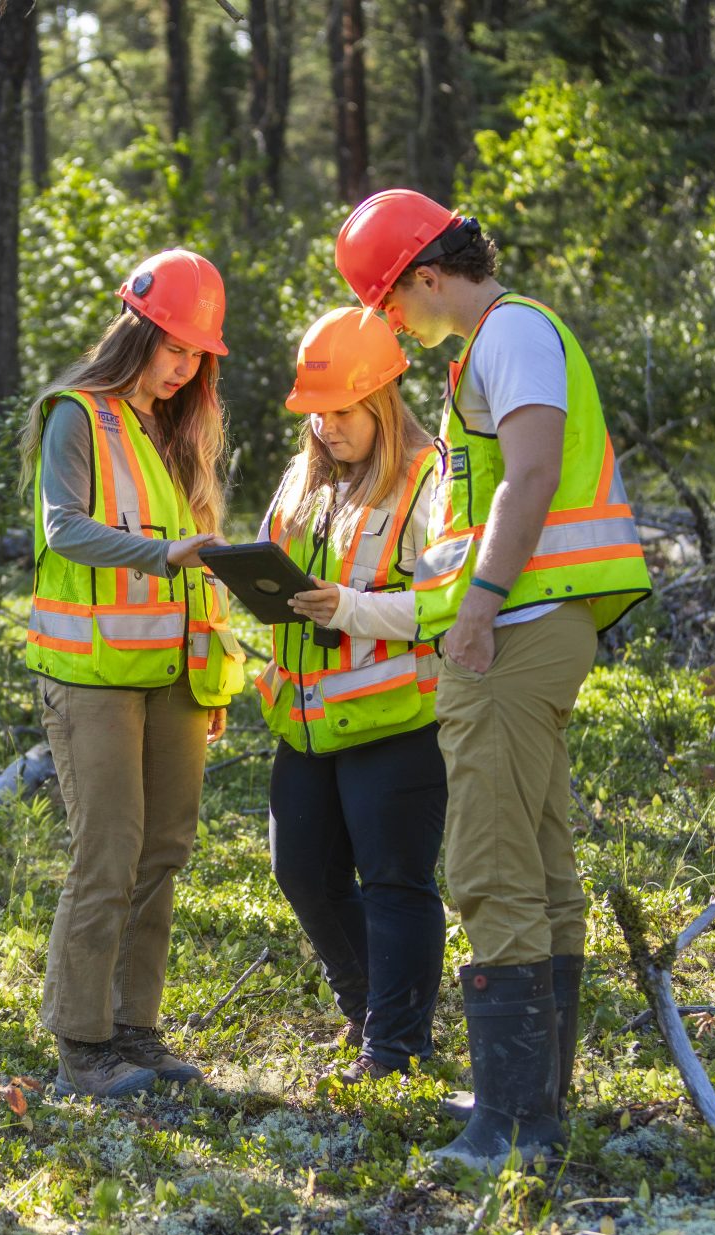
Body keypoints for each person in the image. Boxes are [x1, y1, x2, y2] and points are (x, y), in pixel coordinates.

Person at [334, 190, 653, 1169]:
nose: (395, 326)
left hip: (514, 626)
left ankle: (513, 1124)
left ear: (427, 277)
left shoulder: (509, 334)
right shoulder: (501, 342)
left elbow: (532, 474)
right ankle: (535, 1098)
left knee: (488, 862)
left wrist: (479, 600)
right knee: (540, 851)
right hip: (531, 621)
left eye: (391, 306)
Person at [20, 247, 247, 1099]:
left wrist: (210, 673)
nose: (183, 366)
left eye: (197, 356)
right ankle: (82, 1046)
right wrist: (162, 554)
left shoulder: (177, 429)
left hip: (176, 677)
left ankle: (135, 1030)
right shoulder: (78, 414)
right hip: (94, 673)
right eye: (172, 347)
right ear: (136, 329)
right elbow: (63, 529)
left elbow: (202, 561)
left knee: (164, 851)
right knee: (107, 850)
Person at [257, 307, 447, 1085]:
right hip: (304, 716)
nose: (326, 428)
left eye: (340, 413)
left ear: (379, 401)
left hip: (394, 719)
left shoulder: (428, 477)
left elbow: (448, 603)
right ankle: (366, 1004)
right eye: (316, 413)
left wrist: (350, 609)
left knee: (396, 880)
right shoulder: (308, 474)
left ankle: (396, 1047)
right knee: (301, 869)